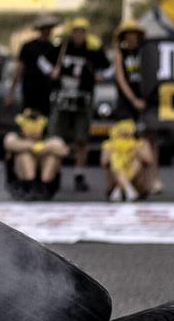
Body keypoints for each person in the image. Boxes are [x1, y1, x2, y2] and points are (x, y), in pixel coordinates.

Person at [49, 17, 105, 192]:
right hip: (63, 97)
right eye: (76, 31)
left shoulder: (93, 49)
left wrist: (99, 75)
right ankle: (52, 173)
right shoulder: (63, 48)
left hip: (83, 98)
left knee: (81, 139)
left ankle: (79, 174)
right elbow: (48, 64)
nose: (79, 34)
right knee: (57, 137)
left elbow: (108, 67)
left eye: (82, 31)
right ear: (71, 32)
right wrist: (53, 71)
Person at [110, 22, 161, 196]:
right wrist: (133, 100)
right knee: (126, 142)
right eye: (128, 34)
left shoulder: (146, 52)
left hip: (147, 101)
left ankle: (153, 179)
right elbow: (121, 79)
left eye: (134, 33)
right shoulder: (120, 54)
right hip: (127, 104)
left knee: (150, 141)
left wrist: (147, 98)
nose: (131, 36)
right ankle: (125, 180)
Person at [4, 109, 66, 199]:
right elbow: (9, 143)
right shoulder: (14, 137)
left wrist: (44, 148)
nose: (32, 131)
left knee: (52, 157)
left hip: (46, 180)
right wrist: (31, 146)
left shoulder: (50, 139)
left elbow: (63, 150)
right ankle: (28, 185)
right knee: (24, 155)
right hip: (21, 179)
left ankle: (45, 186)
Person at [9, 15, 61, 122]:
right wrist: (11, 92)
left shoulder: (54, 49)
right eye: (45, 28)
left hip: (46, 93)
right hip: (29, 91)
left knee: (43, 123)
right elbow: (19, 69)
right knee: (28, 122)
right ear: (40, 29)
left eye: (49, 28)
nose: (47, 31)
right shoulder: (28, 47)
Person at [102, 118, 155, 202]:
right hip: (115, 180)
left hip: (137, 186)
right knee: (114, 161)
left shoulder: (141, 143)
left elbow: (149, 161)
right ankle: (127, 188)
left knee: (137, 162)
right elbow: (104, 162)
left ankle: (121, 187)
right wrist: (116, 151)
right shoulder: (109, 144)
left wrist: (136, 150)